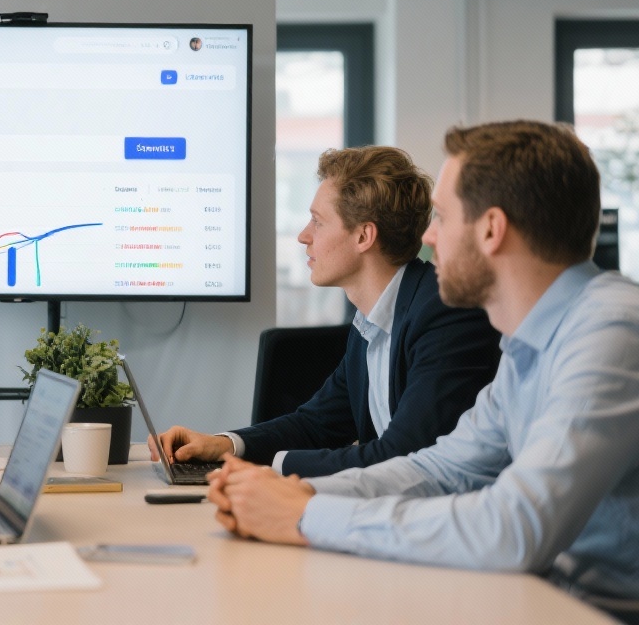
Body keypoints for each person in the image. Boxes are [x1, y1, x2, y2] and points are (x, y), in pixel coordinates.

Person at [208, 121, 639, 616]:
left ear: (491, 229)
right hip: (547, 599)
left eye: (443, 217)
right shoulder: (528, 345)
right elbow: (440, 469)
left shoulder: (611, 331)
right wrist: (293, 493)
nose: (428, 236)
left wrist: (307, 514)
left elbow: (516, 527)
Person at [152, 146, 500, 477]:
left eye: (317, 222)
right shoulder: (370, 323)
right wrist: (224, 445)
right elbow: (316, 425)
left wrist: (271, 470)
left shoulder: (445, 313)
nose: (304, 236)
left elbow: (403, 455)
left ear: (363, 236)